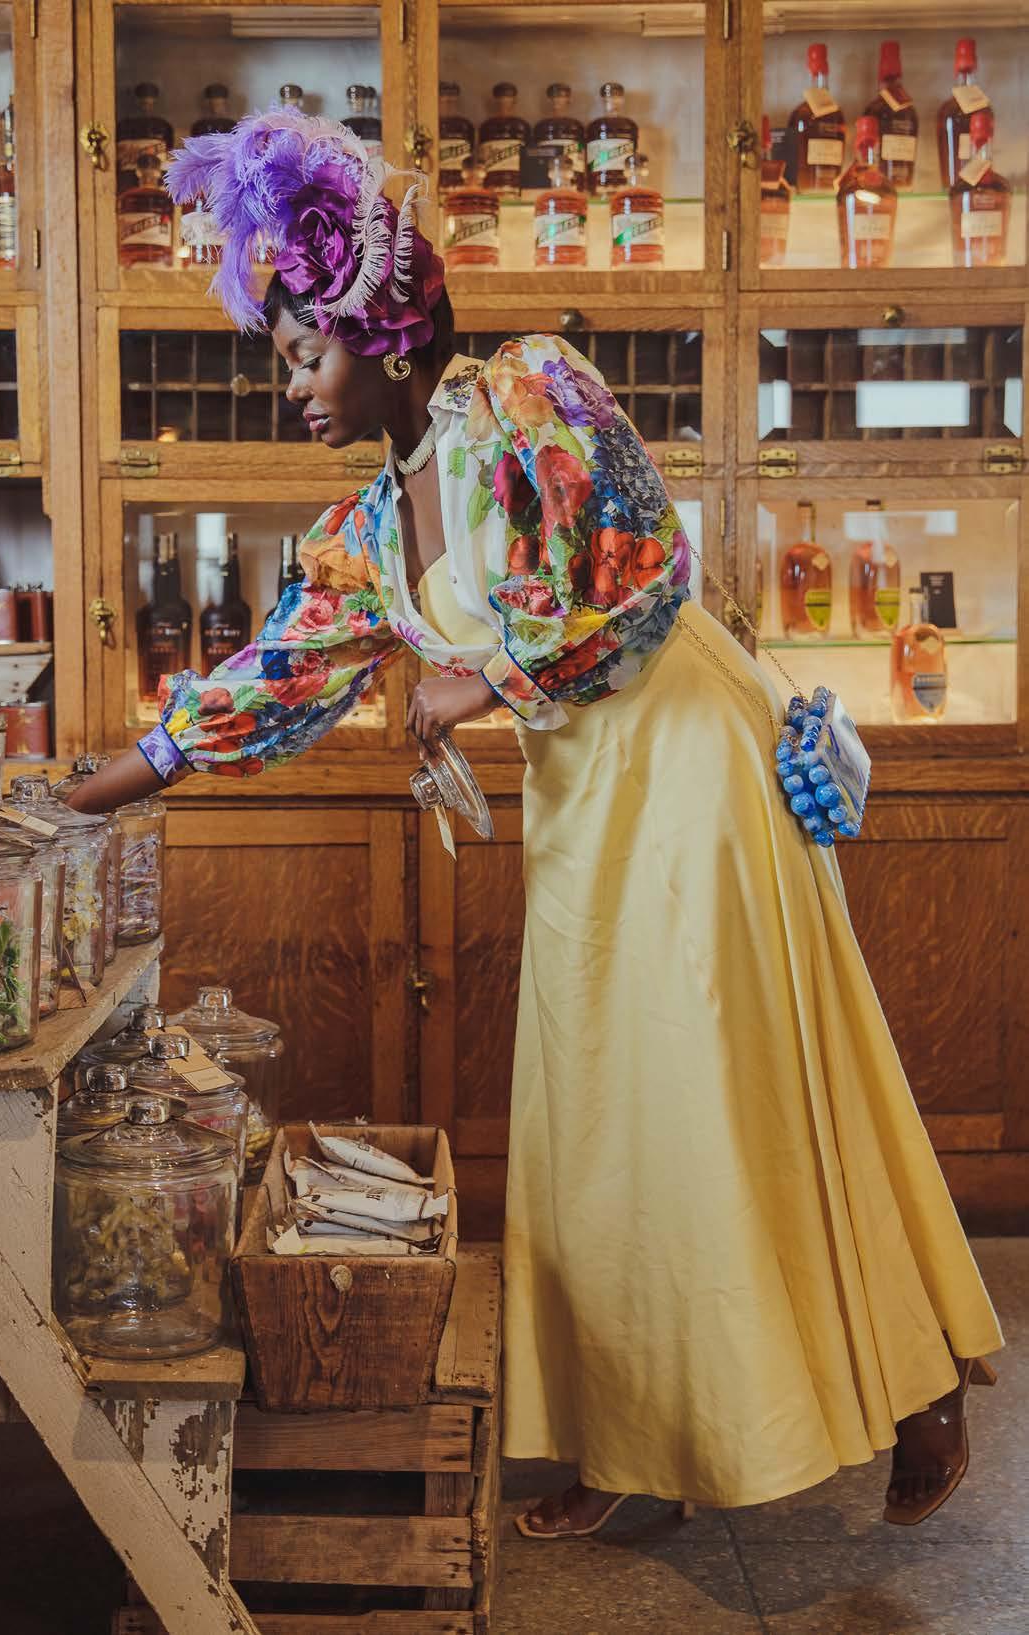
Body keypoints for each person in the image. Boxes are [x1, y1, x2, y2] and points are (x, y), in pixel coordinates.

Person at [68, 105, 1002, 1532]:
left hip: (690, 759)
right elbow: (275, 675)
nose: (293, 389)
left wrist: (478, 681)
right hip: (587, 790)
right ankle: (638, 1449)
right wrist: (109, 781)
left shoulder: (530, 392)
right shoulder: (372, 528)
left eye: (305, 356)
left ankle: (918, 1380)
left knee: (733, 1084)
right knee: (605, 1120)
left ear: (381, 337)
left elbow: (642, 575)